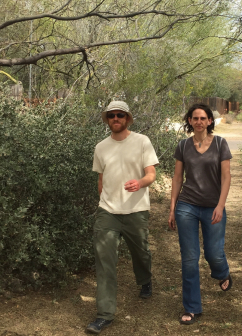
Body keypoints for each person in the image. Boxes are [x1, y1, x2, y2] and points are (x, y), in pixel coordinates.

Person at [87, 101, 159, 334]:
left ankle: (145, 279)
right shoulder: (101, 147)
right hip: (107, 212)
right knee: (105, 261)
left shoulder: (142, 141)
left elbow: (151, 174)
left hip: (136, 210)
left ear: (127, 118)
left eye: (119, 115)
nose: (115, 119)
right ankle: (104, 314)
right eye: (111, 116)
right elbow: (101, 180)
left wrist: (139, 183)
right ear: (107, 119)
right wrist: (105, 202)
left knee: (141, 252)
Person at [168, 103, 232, 325]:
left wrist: (220, 205)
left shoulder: (221, 144)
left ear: (210, 121)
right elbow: (177, 178)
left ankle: (222, 272)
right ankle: (192, 307)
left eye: (203, 118)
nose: (199, 122)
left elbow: (226, 177)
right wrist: (172, 207)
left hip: (213, 206)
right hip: (187, 205)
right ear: (189, 121)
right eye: (194, 118)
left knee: (213, 253)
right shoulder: (183, 146)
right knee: (189, 258)